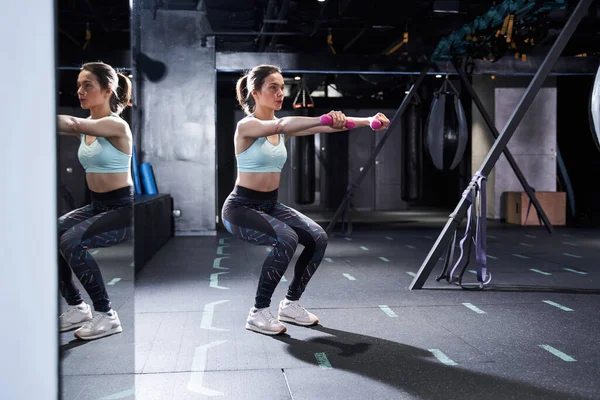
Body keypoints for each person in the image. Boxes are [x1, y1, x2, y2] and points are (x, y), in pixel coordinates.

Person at [221, 64, 390, 335]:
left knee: (317, 238)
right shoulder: (247, 126)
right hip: (240, 207)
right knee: (286, 239)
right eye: (272, 88)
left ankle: (290, 304)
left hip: (270, 205)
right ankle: (258, 312)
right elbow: (282, 123)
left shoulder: (282, 129)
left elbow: (329, 128)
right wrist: (323, 117)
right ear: (255, 92)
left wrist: (368, 121)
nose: (279, 93)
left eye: (281, 87)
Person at [56, 61, 134, 340]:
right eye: (78, 85)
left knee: (70, 241)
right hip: (97, 205)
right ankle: (77, 307)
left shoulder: (115, 125)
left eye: (87, 85)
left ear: (107, 90)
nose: (80, 90)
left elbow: (71, 121)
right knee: (53, 232)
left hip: (122, 208)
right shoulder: (86, 128)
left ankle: (106, 315)